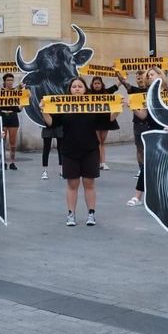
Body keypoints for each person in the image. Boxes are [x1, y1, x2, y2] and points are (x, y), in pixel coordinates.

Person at [43, 77, 118, 227]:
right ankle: (71, 214)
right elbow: (51, 123)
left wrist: (118, 108)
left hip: (90, 150)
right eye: (74, 87)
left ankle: (91, 213)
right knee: (72, 184)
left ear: (85, 89)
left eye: (80, 86)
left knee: (89, 183)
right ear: (70, 90)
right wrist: (43, 110)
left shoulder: (94, 106)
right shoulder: (63, 106)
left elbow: (107, 119)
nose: (77, 89)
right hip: (69, 150)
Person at [128, 68, 166, 207]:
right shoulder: (147, 95)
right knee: (147, 165)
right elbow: (143, 116)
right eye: (148, 75)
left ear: (160, 75)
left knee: (166, 166)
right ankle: (138, 196)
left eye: (152, 74)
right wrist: (132, 107)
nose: (150, 77)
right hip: (153, 132)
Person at [88, 75, 121, 170]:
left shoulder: (106, 92)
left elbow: (116, 86)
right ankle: (97, 162)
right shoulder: (89, 94)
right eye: (95, 83)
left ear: (101, 84)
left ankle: (103, 162)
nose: (97, 85)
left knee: (102, 142)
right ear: (92, 84)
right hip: (94, 120)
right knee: (97, 141)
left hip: (105, 119)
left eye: (98, 83)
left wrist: (121, 77)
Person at [0, 73, 22, 168]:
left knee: (13, 142)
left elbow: (21, 105)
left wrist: (23, 103)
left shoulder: (16, 92)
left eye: (11, 80)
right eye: (8, 80)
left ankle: (12, 162)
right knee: (2, 140)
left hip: (13, 116)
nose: (10, 82)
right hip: (2, 115)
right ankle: (3, 161)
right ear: (4, 81)